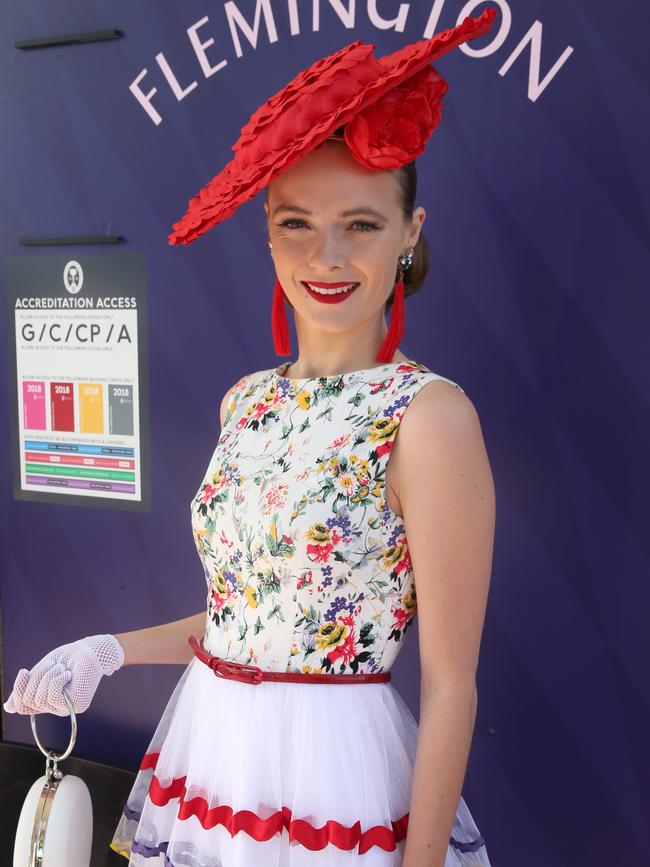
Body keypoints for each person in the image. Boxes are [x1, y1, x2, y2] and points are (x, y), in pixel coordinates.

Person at [4, 8, 498, 866]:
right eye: (297, 222)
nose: (327, 256)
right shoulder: (247, 402)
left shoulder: (429, 416)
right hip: (211, 762)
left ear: (410, 233)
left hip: (335, 783)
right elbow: (254, 618)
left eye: (362, 224)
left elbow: (452, 681)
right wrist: (113, 649)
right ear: (267, 233)